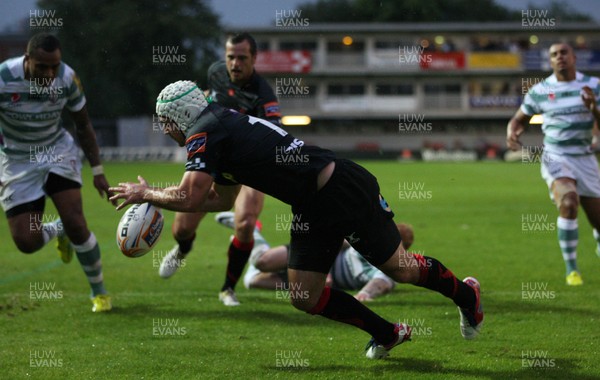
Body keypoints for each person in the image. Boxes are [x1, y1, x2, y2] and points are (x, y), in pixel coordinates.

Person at [110, 80, 483, 359]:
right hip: (313, 204)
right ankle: (388, 333)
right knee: (303, 295)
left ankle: (467, 295)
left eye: (165, 122)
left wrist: (147, 195)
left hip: (339, 188)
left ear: (179, 116)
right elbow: (215, 199)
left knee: (402, 270)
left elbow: (190, 195)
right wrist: (160, 201)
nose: (166, 130)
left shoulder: (206, 132)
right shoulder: (217, 127)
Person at [159, 32, 282, 307]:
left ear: (254, 59)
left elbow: (275, 135)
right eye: (230, 57)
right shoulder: (216, 73)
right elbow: (202, 101)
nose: (235, 63)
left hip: (247, 167)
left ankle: (228, 287)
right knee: (182, 226)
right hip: (213, 159)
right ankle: (182, 248)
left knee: (246, 222)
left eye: (242, 58)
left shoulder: (264, 96)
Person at [0, 33, 113, 312]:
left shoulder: (67, 78)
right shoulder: (3, 79)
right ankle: (56, 228)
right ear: (27, 61)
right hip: (17, 159)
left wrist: (97, 170)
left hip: (56, 151)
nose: (50, 73)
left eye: (54, 66)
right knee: (27, 242)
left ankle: (99, 293)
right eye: (42, 67)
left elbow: (83, 125)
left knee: (76, 221)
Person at [507, 42, 600, 286]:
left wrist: (595, 110)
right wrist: (512, 132)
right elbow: (519, 119)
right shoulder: (540, 90)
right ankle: (572, 270)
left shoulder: (593, 86)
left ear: (574, 57)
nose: (559, 57)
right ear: (550, 61)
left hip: (586, 158)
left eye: (564, 53)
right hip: (555, 156)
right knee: (568, 203)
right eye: (554, 55)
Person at [213, 211, 414, 302]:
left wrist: (365, 294)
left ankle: (247, 242)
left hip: (319, 279)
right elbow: (338, 239)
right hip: (316, 252)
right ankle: (251, 232)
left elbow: (380, 284)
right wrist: (323, 265)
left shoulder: (390, 267)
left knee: (253, 282)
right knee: (263, 262)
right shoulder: (367, 240)